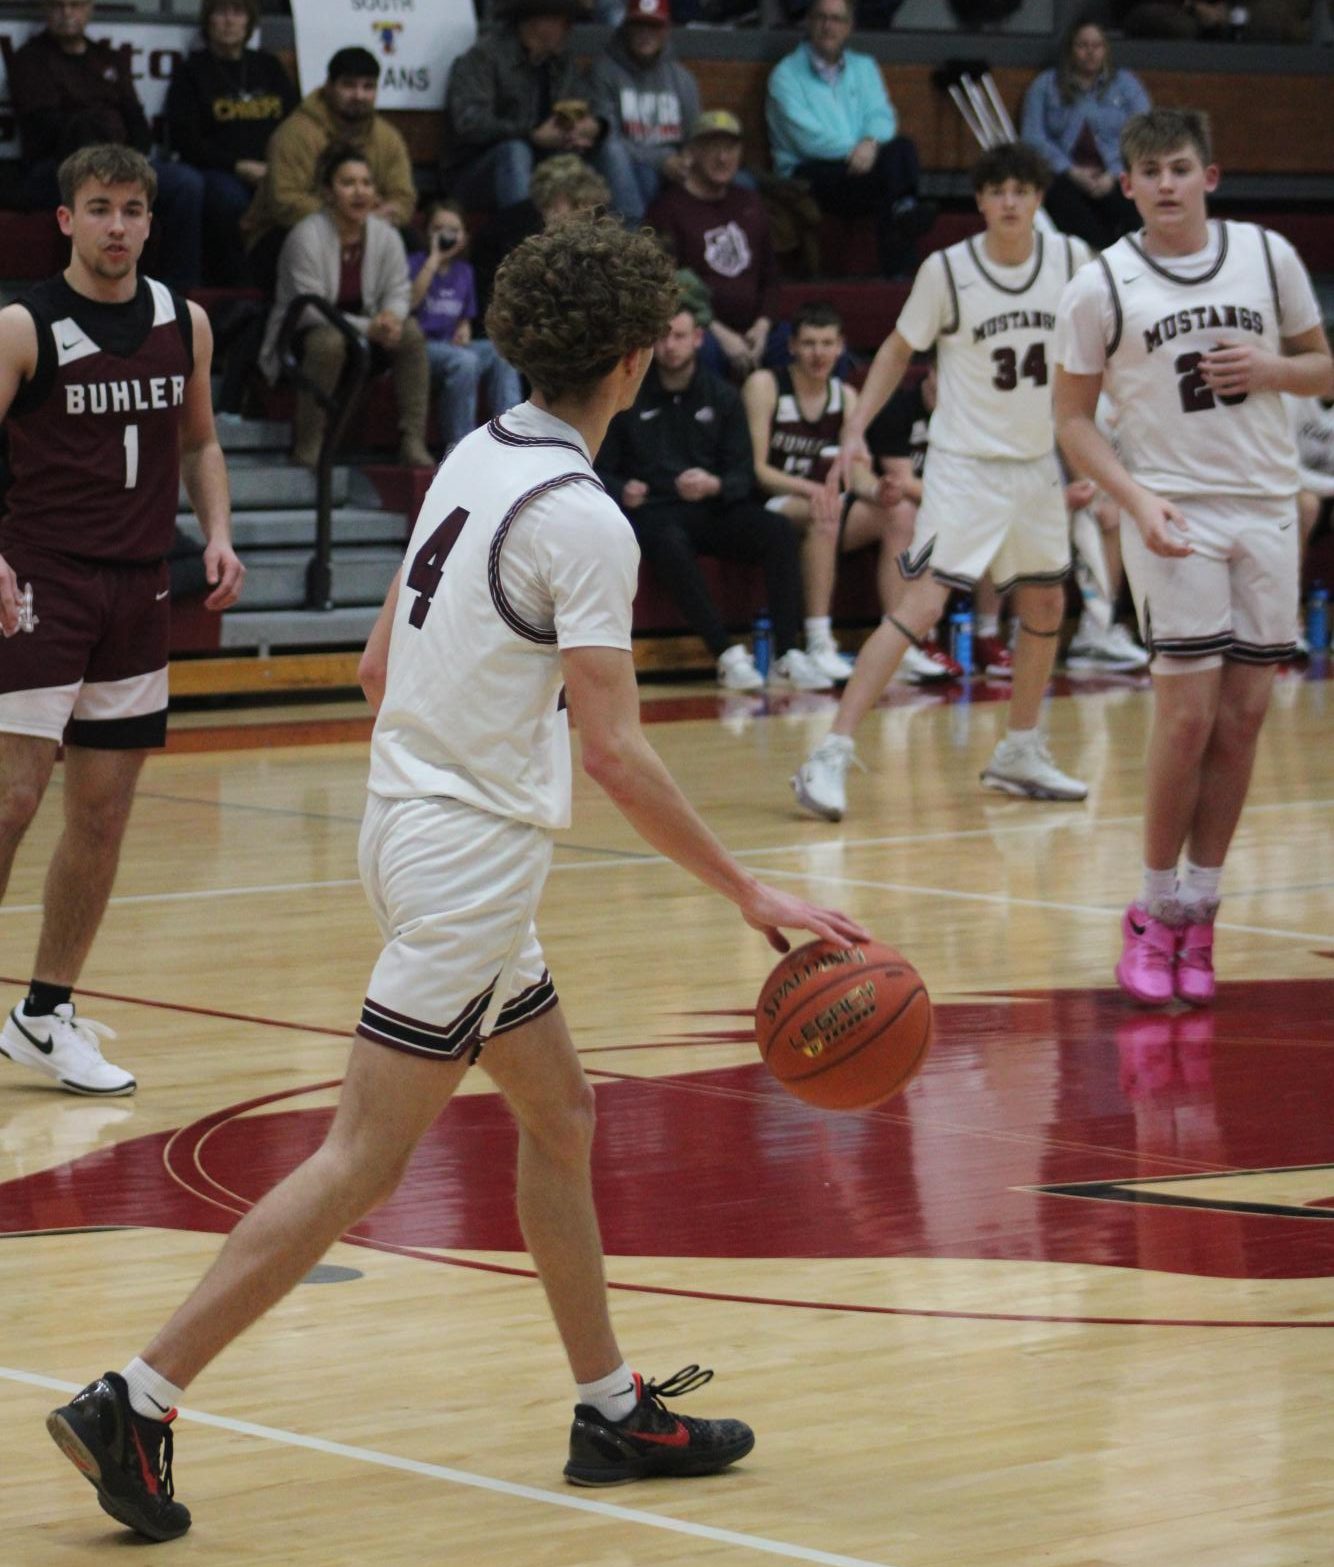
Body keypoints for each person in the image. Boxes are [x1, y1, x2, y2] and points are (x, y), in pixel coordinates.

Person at [46, 215, 869, 1542]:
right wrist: (751, 891)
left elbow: (378, 671)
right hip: (467, 864)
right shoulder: (583, 518)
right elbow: (614, 750)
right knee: (363, 1156)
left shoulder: (478, 451)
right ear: (621, 355)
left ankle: (610, 1406)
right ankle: (135, 1397)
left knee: (564, 1113)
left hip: (408, 826)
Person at [1052, 106, 1331, 1005]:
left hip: (1265, 505)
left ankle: (1202, 910)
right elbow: (1069, 421)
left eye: (1180, 168)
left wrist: (1274, 371)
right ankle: (1150, 906)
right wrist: (1134, 498)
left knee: (1245, 719)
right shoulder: (1100, 284)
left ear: (1210, 177)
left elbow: (1321, 367)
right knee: (1185, 720)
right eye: (1149, 172)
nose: (1166, 184)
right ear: (1126, 187)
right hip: (1170, 507)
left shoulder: (1266, 255)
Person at [0, 144, 245, 1098]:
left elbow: (202, 439)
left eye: (132, 209)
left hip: (139, 588)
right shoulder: (24, 325)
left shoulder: (181, 323)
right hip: (43, 586)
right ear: (66, 219)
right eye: (98, 207)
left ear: (150, 220)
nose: (116, 224)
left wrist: (217, 531)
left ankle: (45, 1012)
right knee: (13, 800)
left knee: (101, 814)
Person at [791, 142, 1094, 823]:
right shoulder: (950, 270)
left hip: (1037, 463)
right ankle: (830, 751)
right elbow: (899, 350)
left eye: (1023, 189)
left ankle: (1020, 747)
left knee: (1045, 606)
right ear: (980, 201)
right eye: (997, 190)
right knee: (923, 604)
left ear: (1039, 197)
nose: (1011, 201)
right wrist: (855, 427)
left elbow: (1111, 345)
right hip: (964, 467)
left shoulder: (1074, 261)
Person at [597, 303, 832, 691]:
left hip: (711, 508)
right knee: (666, 539)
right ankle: (726, 654)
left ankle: (787, 654)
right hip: (654, 512)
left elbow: (743, 472)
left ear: (698, 339)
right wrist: (623, 489)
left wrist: (716, 484)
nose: (671, 345)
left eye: (680, 336)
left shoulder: (722, 395)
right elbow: (597, 466)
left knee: (777, 530)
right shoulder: (628, 397)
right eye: (664, 336)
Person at [743, 300, 933, 685]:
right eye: (810, 343)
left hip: (822, 503)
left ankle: (897, 640)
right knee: (824, 509)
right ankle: (818, 641)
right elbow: (758, 470)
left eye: (827, 343)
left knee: (900, 514)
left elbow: (856, 472)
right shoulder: (765, 386)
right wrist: (815, 489)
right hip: (771, 506)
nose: (819, 353)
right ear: (792, 346)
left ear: (841, 346)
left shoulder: (845, 395)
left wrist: (880, 489)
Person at [8, 0, 206, 290]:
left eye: (75, 5)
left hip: (122, 159)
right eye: (58, 7)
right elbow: (44, 128)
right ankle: (84, 291)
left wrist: (128, 161)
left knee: (186, 184)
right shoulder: (30, 59)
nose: (67, 14)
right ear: (45, 12)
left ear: (89, 9)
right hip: (60, 164)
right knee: (90, 185)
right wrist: (98, 131)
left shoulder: (108, 57)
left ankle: (176, 292)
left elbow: (137, 123)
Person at [259, 145, 433, 470]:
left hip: (364, 335)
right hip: (302, 334)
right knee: (329, 341)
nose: (360, 192)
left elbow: (399, 290)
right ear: (328, 191)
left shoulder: (386, 236)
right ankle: (309, 445)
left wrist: (392, 318)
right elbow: (310, 308)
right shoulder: (305, 236)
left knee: (410, 333)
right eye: (348, 183)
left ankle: (412, 441)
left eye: (366, 183)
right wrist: (372, 327)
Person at [765, 0, 935, 279]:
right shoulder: (785, 74)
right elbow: (806, 138)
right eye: (821, 17)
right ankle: (902, 237)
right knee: (889, 178)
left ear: (849, 27)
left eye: (837, 19)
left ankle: (902, 216)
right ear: (809, 21)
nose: (828, 26)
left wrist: (869, 143)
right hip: (809, 173)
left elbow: (882, 117)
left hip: (861, 166)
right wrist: (856, 151)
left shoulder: (864, 66)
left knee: (902, 147)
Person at [442, 0, 636, 221]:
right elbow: (470, 123)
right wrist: (531, 135)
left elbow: (584, 103)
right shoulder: (483, 58)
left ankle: (631, 236)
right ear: (535, 21)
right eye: (563, 19)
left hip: (546, 160)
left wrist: (587, 128)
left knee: (610, 149)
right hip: (476, 173)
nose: (569, 27)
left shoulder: (562, 61)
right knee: (515, 151)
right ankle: (527, 239)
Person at [243, 46, 417, 290]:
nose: (359, 95)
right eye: (349, 85)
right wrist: (345, 217)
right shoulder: (295, 133)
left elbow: (403, 198)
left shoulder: (388, 137)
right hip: (285, 231)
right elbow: (284, 203)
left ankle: (393, 316)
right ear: (329, 86)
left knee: (408, 240)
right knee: (294, 240)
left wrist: (377, 216)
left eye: (368, 87)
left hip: (363, 229)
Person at [165, 0, 299, 286]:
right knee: (229, 201)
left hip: (273, 167)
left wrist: (279, 165)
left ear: (249, 22)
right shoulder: (191, 72)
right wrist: (238, 166)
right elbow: (185, 141)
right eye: (220, 13)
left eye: (237, 13)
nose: (229, 21)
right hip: (219, 170)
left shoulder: (269, 66)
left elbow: (295, 123)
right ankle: (234, 289)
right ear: (208, 21)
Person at [646, 111, 779, 377]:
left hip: (754, 327)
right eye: (713, 147)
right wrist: (717, 332)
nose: (723, 157)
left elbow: (770, 274)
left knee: (797, 344)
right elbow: (669, 284)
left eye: (730, 148)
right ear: (692, 151)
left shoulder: (750, 202)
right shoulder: (668, 209)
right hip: (701, 328)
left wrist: (763, 326)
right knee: (698, 350)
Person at [1020, 19, 1148, 252]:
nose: (1090, 52)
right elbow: (1033, 137)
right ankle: (1098, 255)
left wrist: (1114, 173)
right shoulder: (1045, 85)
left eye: (1097, 45)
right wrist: (1070, 170)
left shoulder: (1126, 85)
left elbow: (1144, 134)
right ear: (1070, 49)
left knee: (1134, 195)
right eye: (1083, 45)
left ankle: (1127, 256)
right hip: (1065, 175)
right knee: (1057, 195)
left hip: (1115, 173)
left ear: (1106, 49)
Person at [409, 200, 523, 453]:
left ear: (464, 237)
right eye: (439, 229)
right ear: (426, 232)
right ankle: (460, 446)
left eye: (454, 230)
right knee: (466, 361)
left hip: (453, 344)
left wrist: (464, 329)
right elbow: (410, 302)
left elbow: (464, 316)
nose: (447, 236)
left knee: (500, 352)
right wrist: (435, 259)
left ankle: (511, 438)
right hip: (422, 347)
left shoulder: (464, 271)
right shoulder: (417, 263)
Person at [471, 155, 613, 330]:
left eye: (589, 208)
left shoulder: (586, 236)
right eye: (575, 204)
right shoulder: (512, 230)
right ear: (549, 199)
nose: (584, 215)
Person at [589, 0, 700, 219]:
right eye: (639, 25)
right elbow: (607, 138)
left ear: (666, 30)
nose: (645, 34)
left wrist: (687, 160)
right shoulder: (604, 71)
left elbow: (694, 135)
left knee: (742, 183)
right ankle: (633, 238)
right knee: (643, 175)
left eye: (653, 26)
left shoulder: (682, 78)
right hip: (629, 167)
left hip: (675, 167)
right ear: (626, 28)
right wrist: (660, 161)